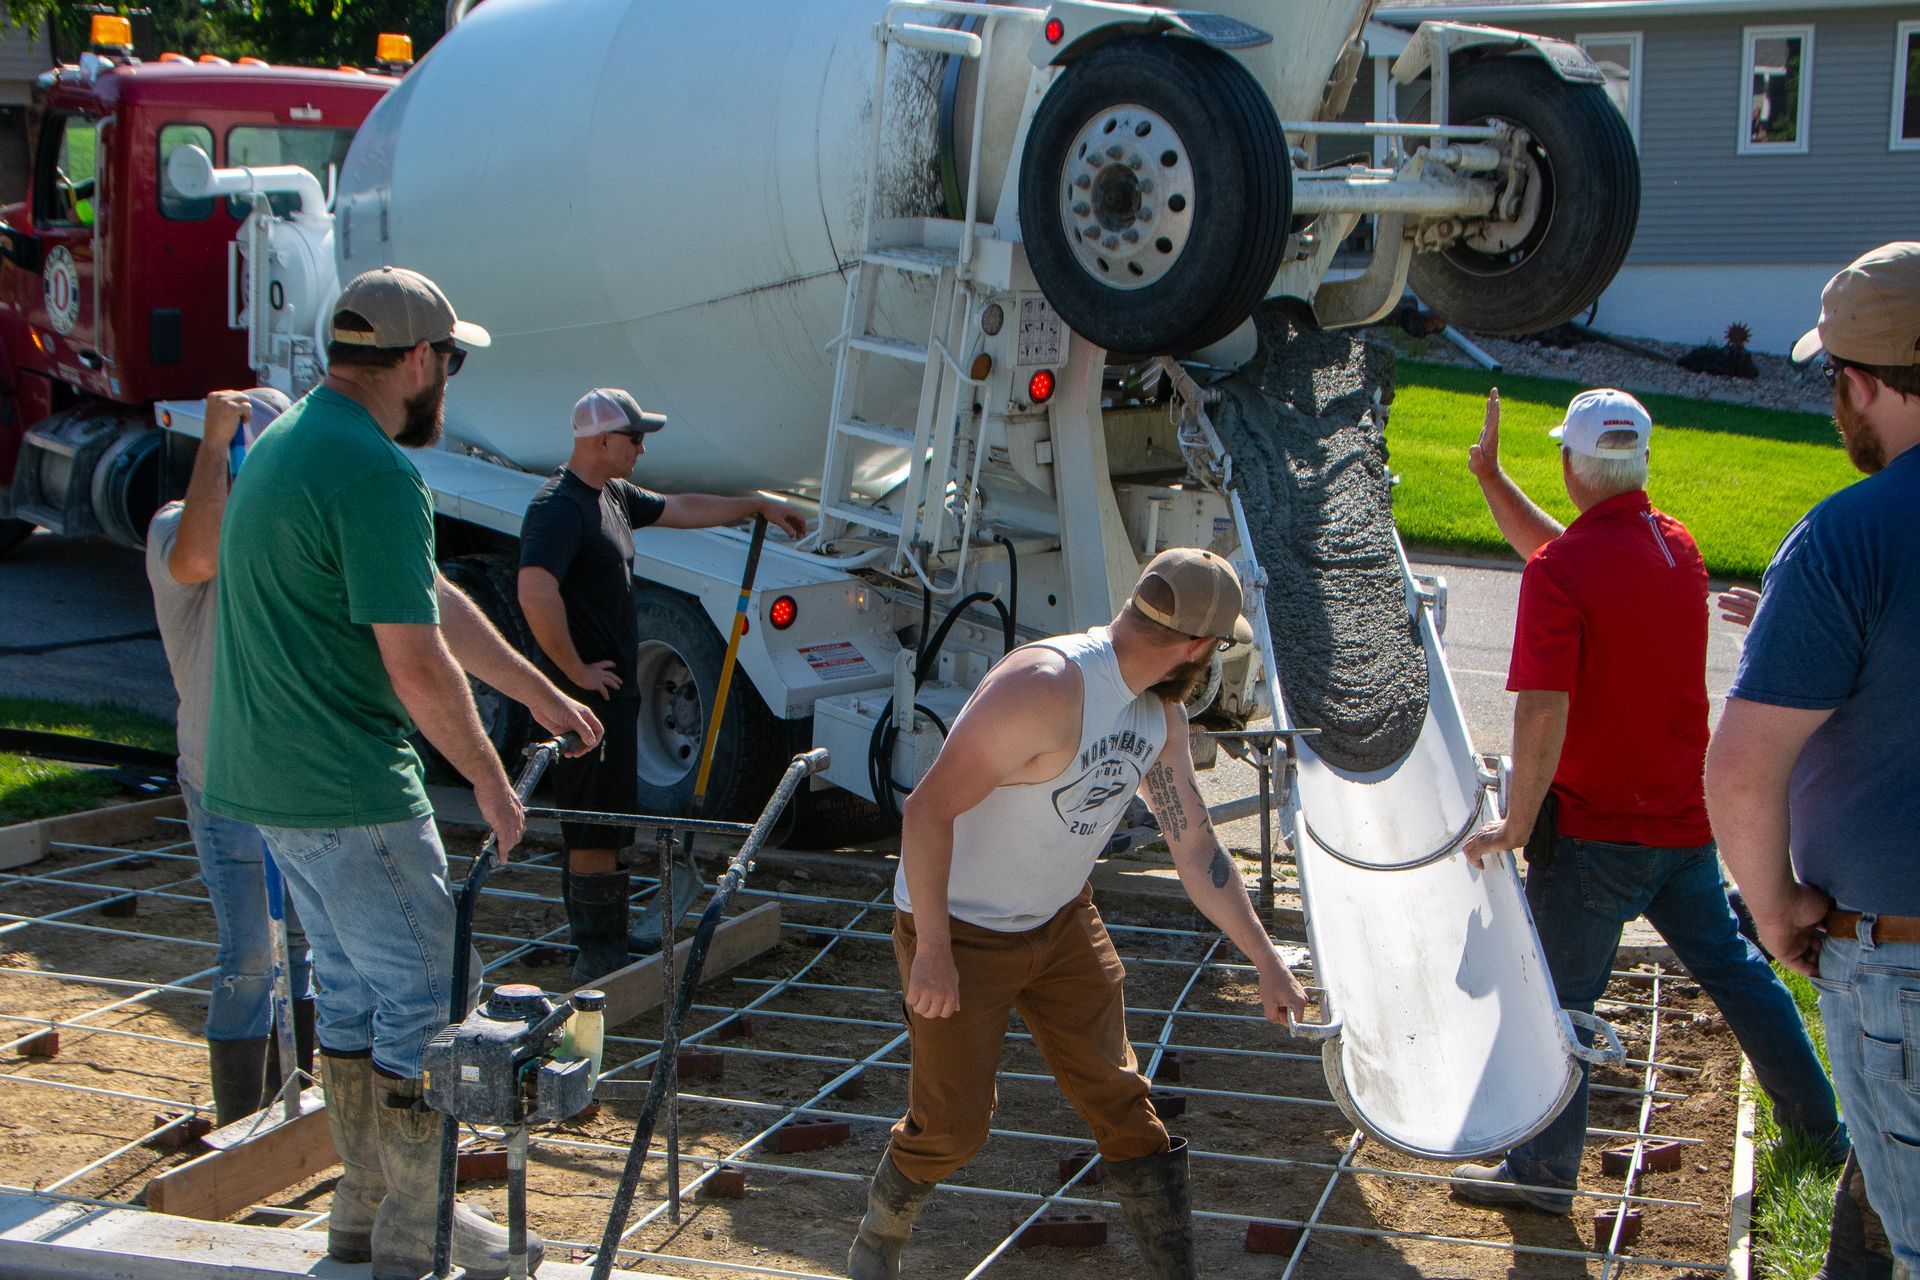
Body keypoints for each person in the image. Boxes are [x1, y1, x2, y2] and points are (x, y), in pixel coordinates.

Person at [202, 266, 602, 1280]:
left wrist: (543, 690)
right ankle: (415, 1237)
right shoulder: (375, 471)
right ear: (417, 361)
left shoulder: (297, 444)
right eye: (450, 364)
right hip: (350, 786)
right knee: (430, 1002)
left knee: (350, 996)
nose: (449, 384)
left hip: (272, 783)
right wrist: (495, 782)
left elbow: (422, 598)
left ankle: (368, 1209)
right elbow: (415, 662)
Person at [847, 548, 1310, 1280]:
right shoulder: (1046, 686)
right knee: (955, 1129)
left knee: (1125, 1104)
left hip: (1062, 922)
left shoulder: (1160, 716)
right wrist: (932, 949)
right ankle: (876, 1243)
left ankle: (1173, 1269)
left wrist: (1267, 959)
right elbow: (928, 809)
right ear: (1198, 647)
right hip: (961, 930)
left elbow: (1194, 845)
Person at [1448, 386, 1845, 1216]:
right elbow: (1569, 562)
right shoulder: (1675, 549)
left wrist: (1516, 822)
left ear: (1571, 463)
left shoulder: (1567, 574)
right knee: (1737, 976)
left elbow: (1541, 703)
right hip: (1680, 822)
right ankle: (1819, 1126)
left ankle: (1544, 1175)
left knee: (1556, 1004)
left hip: (1593, 835)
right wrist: (1490, 480)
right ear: (1642, 461)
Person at [1707, 241, 1920, 1278]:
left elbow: (1742, 771)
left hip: (1901, 962)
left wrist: (1776, 905)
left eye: (1835, 375)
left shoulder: (1849, 539)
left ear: (1868, 380)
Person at [516, 388, 805, 984]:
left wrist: (754, 505)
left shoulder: (612, 497)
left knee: (613, 819)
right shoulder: (559, 507)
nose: (643, 448)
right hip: (583, 698)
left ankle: (609, 943)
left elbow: (680, 507)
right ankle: (597, 954)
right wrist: (574, 673)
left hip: (610, 694)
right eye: (635, 438)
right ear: (601, 442)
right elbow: (534, 590)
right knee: (593, 822)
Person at [147, 386, 315, 1127]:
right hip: (223, 782)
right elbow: (200, 555)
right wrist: (217, 447)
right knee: (251, 955)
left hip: (297, 781)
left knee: (304, 950)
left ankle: (300, 1099)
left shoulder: (284, 531)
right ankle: (241, 1118)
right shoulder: (175, 529)